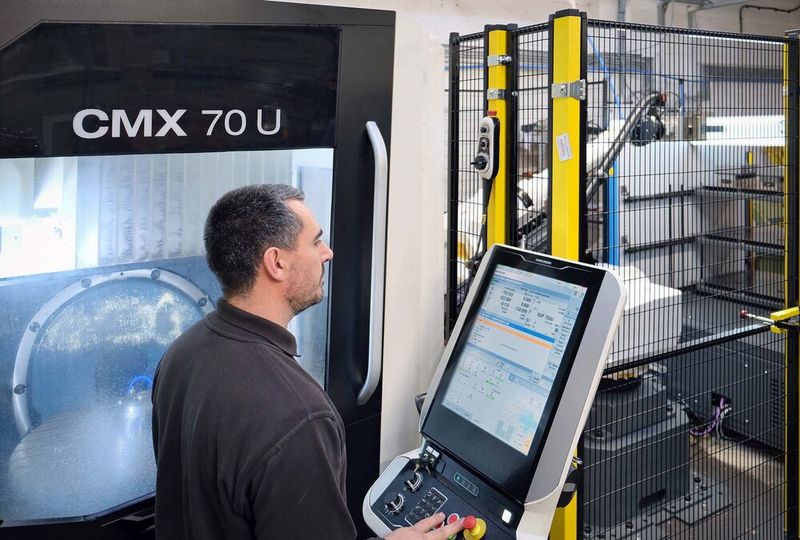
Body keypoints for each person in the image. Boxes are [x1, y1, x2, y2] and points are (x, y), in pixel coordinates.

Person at [152, 184, 465, 539]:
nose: (327, 253)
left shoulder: (181, 355)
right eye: (316, 241)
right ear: (277, 262)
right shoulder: (297, 418)